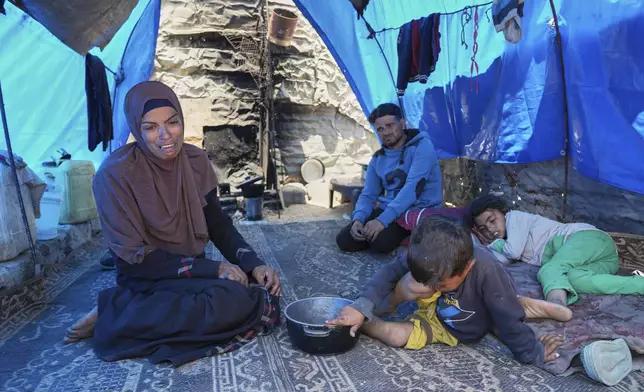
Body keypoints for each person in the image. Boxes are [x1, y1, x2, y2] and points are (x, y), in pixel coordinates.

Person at [63, 81, 282, 366]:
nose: (165, 135)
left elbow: (217, 222)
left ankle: (138, 314)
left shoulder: (195, 160)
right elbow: (134, 261)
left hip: (190, 272)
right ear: (136, 130)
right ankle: (116, 309)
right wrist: (215, 268)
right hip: (145, 276)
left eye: (172, 122)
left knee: (242, 294)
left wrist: (253, 264)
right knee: (239, 302)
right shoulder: (114, 176)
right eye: (150, 127)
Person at [328, 215, 569, 369]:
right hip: (440, 316)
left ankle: (519, 305)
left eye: (440, 285)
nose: (432, 289)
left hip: (473, 315)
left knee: (504, 311)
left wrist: (532, 352)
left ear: (468, 267)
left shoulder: (486, 268)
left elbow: (509, 321)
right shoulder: (425, 254)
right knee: (400, 318)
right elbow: (388, 274)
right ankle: (362, 322)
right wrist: (361, 308)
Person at [465, 195, 644, 307]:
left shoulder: (515, 218)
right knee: (573, 280)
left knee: (550, 270)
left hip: (586, 238)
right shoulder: (507, 240)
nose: (490, 229)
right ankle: (639, 285)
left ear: (503, 212)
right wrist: (481, 249)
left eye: (492, 220)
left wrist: (492, 245)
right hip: (605, 260)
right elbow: (503, 260)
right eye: (483, 229)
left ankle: (556, 305)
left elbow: (512, 252)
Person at [336, 103, 442, 254]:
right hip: (392, 208)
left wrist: (381, 221)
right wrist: (358, 219)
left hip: (418, 210)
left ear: (402, 124)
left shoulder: (422, 146)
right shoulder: (378, 158)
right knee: (345, 240)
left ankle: (411, 241)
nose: (385, 132)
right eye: (380, 129)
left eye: (390, 125)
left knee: (381, 242)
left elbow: (413, 188)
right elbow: (368, 194)